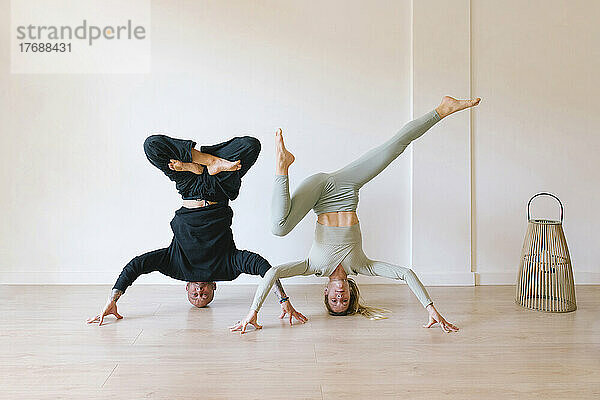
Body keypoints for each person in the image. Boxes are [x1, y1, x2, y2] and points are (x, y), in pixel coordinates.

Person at [231, 96, 480, 334]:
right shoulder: (362, 266)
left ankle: (282, 166)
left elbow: (272, 272)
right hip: (346, 186)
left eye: (334, 301)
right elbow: (405, 274)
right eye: (345, 300)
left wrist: (255, 310)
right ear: (351, 292)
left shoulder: (312, 267)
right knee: (394, 147)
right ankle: (443, 109)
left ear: (326, 292)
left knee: (279, 228)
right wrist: (431, 307)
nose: (340, 297)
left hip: (317, 192)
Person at [87, 134, 307, 327]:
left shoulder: (174, 266)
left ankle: (202, 163)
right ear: (214, 288)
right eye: (204, 295)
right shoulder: (227, 269)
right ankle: (209, 163)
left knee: (152, 145)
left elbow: (138, 265)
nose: (199, 292)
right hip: (218, 189)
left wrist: (113, 298)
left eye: (195, 295)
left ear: (187, 288)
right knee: (251, 145)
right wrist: (283, 300)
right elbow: (263, 267)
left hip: (189, 188)